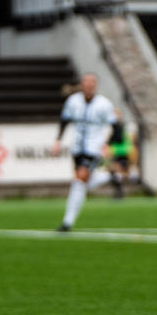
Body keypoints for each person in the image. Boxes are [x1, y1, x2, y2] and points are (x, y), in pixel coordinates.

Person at [53, 73, 122, 232]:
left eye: (92, 83)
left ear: (96, 85)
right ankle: (109, 176)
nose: (89, 86)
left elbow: (116, 126)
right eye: (86, 82)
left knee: (80, 179)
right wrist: (58, 140)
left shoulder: (104, 104)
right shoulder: (73, 101)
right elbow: (64, 120)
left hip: (93, 149)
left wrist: (109, 145)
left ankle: (67, 222)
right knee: (81, 183)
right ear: (82, 85)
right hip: (77, 148)